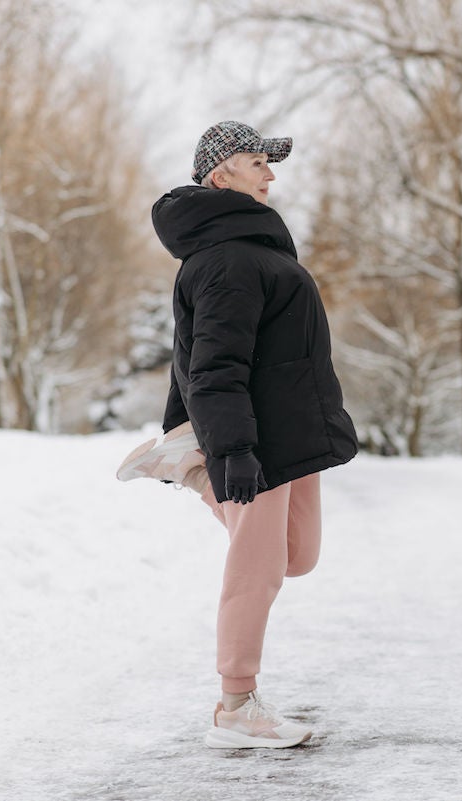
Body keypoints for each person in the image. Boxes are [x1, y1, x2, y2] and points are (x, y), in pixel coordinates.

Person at [116, 120, 357, 749]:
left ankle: (190, 467)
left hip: (289, 429)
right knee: (258, 570)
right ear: (221, 176)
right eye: (258, 163)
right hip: (257, 436)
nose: (270, 174)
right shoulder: (228, 259)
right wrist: (233, 450)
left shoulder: (255, 248)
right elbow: (213, 366)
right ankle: (236, 704)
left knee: (297, 556)